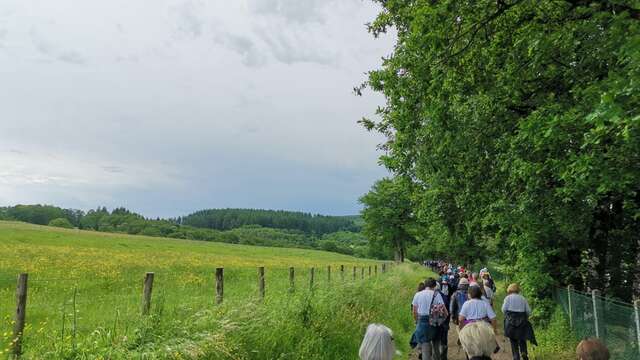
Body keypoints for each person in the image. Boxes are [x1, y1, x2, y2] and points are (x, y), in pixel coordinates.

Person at [412, 278, 445, 360]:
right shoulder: (437, 295)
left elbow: (414, 311)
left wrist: (417, 321)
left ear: (425, 285)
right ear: (434, 286)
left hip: (422, 322)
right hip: (435, 322)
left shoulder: (418, 294)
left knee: (425, 349)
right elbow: (445, 311)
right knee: (436, 347)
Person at [502, 284, 536, 360]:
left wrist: (508, 315)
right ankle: (524, 352)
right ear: (518, 290)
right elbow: (528, 311)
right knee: (522, 338)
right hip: (522, 322)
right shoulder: (523, 298)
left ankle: (516, 356)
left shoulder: (507, 298)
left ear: (509, 290)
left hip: (510, 323)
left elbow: (503, 310)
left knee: (513, 340)